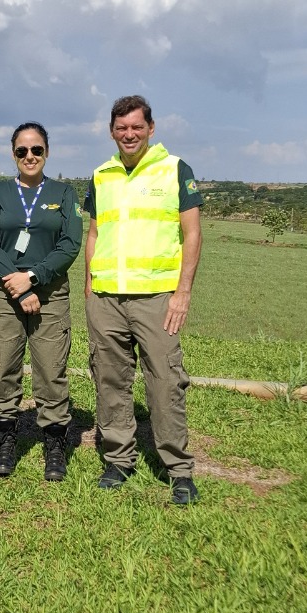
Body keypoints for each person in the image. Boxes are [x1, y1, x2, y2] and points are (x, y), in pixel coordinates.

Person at [84, 95, 203, 505]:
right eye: (121, 128)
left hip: (157, 298)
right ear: (111, 132)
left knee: (165, 381)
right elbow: (95, 235)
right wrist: (89, 288)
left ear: (151, 128)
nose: (129, 134)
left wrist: (182, 293)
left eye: (136, 127)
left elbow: (192, 234)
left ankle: (179, 469)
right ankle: (119, 458)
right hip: (107, 298)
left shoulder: (174, 170)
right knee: (109, 378)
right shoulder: (101, 175)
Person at [0, 123, 83, 481]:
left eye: (36, 150)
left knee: (51, 369)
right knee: (3, 365)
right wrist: (19, 286)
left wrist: (34, 278)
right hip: (4, 290)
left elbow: (70, 244)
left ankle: (54, 444)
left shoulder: (63, 192)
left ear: (47, 153)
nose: (29, 157)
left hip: (50, 291)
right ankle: (6, 439)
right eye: (22, 151)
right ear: (13, 154)